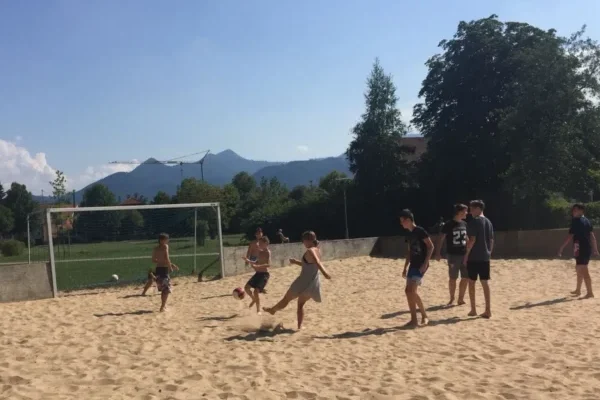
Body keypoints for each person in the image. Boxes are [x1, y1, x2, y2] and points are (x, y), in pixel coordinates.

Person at [263, 231, 331, 330]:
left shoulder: (311, 250)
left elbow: (317, 261)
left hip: (302, 282)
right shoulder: (318, 249)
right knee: (300, 305)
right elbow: (309, 264)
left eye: (303, 241)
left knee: (286, 299)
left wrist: (325, 273)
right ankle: (299, 326)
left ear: (306, 241)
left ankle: (273, 310)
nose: (303, 243)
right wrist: (296, 262)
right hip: (312, 284)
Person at [400, 209, 434, 328]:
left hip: (421, 265)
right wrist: (405, 267)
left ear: (409, 220)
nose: (401, 223)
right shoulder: (409, 234)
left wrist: (425, 263)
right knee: (409, 291)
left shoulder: (420, 231)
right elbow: (409, 252)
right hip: (413, 264)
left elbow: (431, 247)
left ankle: (418, 318)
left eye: (402, 221)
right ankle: (418, 317)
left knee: (411, 291)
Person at [558, 203, 599, 298]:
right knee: (579, 269)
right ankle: (578, 290)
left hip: (582, 248)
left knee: (583, 269)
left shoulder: (576, 221)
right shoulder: (587, 221)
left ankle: (590, 293)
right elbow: (592, 237)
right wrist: (595, 249)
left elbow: (570, 236)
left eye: (575, 210)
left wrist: (561, 247)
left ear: (581, 211)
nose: (573, 212)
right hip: (581, 248)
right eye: (573, 210)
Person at [463, 200, 494, 318]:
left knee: (472, 282)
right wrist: (489, 253)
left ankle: (473, 309)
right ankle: (488, 310)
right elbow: (491, 241)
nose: (470, 212)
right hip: (485, 257)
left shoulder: (475, 222)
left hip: (474, 257)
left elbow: (472, 240)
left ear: (478, 209)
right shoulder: (489, 222)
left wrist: (466, 256)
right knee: (485, 282)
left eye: (471, 209)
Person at [436, 204, 469, 306]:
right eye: (465, 211)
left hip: (464, 255)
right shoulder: (448, 224)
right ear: (459, 212)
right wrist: (438, 253)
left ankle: (461, 299)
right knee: (453, 278)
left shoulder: (465, 224)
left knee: (465, 277)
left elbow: (467, 239)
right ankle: (452, 298)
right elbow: (441, 238)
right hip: (453, 255)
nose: (466, 213)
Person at [147, 233, 179, 312]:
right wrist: (170, 267)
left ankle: (163, 306)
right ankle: (162, 306)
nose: (168, 241)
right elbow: (167, 258)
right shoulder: (165, 246)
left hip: (158, 269)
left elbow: (154, 260)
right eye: (166, 239)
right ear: (162, 240)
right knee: (166, 290)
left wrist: (163, 261)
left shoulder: (155, 248)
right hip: (164, 269)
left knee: (163, 289)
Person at [241, 236, 271, 313]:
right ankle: (254, 299)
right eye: (259, 243)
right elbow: (256, 262)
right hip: (258, 273)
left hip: (264, 274)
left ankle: (258, 310)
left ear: (266, 243)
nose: (259, 244)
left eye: (261, 243)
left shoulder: (268, 252)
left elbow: (268, 264)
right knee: (246, 288)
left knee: (256, 291)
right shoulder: (260, 252)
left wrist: (258, 266)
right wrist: (248, 260)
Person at [245, 228, 268, 294]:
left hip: (261, 259)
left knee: (261, 273)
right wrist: (247, 260)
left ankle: (260, 287)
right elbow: (249, 251)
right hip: (254, 258)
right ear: (255, 235)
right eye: (257, 233)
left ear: (262, 234)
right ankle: (259, 287)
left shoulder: (264, 242)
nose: (259, 234)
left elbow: (265, 251)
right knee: (259, 272)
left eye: (260, 233)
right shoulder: (253, 243)